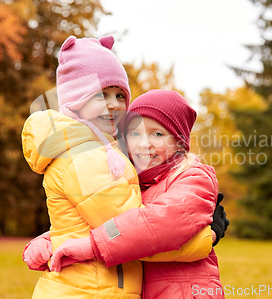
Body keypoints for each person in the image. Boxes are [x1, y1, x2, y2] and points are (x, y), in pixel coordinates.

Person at [21, 36, 220, 298]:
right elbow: (130, 228)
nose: (143, 144)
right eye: (135, 133)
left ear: (180, 141)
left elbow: (125, 225)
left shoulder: (187, 175)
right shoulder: (88, 157)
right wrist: (209, 237)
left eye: (158, 134)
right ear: (75, 99)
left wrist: (62, 240)